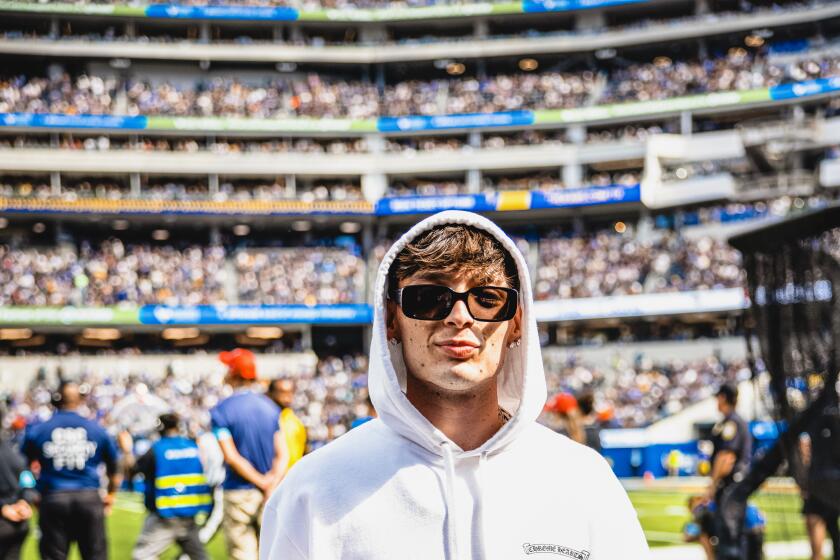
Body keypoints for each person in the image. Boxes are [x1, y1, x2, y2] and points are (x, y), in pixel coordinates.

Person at [261, 210, 648, 559]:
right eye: (429, 297)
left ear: (516, 323)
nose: (460, 316)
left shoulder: (584, 480)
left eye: (487, 298)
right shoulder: (314, 491)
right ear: (391, 320)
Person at [21, 381, 120, 560]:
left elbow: (22, 467)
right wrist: (111, 494)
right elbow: (114, 468)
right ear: (81, 400)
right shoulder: (97, 429)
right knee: (95, 555)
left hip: (53, 498)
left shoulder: (40, 429)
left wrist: (31, 491)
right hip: (89, 498)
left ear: (56, 399)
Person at [212, 349, 287, 560]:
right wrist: (270, 483)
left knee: (242, 553)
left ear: (234, 374)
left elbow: (231, 456)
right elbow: (283, 454)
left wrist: (261, 482)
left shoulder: (222, 410)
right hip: (272, 492)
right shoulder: (271, 408)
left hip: (239, 491)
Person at [120, 413, 211, 560]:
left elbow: (132, 471)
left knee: (142, 555)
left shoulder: (157, 449)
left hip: (166, 513)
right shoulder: (193, 447)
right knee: (199, 556)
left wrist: (126, 450)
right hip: (190, 513)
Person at [706, 383, 752, 560]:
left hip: (731, 486)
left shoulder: (732, 422)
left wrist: (712, 485)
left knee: (729, 535)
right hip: (733, 486)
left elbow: (726, 457)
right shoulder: (728, 422)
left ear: (723, 398)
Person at [800, 392, 840, 560]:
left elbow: (804, 449)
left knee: (817, 546)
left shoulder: (813, 418)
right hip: (835, 481)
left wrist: (804, 481)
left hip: (818, 482)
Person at [0, 408, 36, 560]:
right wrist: (24, 501)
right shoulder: (13, 449)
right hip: (19, 522)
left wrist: (3, 507)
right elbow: (28, 478)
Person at [684, 495, 765, 560]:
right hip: (756, 530)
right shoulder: (721, 499)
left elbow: (688, 536)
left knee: (702, 535)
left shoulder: (702, 509)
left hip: (741, 532)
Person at [266, 379, 307, 470]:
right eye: (282, 392)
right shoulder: (267, 419)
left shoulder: (295, 423)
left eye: (290, 392)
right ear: (271, 393)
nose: (287, 397)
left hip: (288, 478)